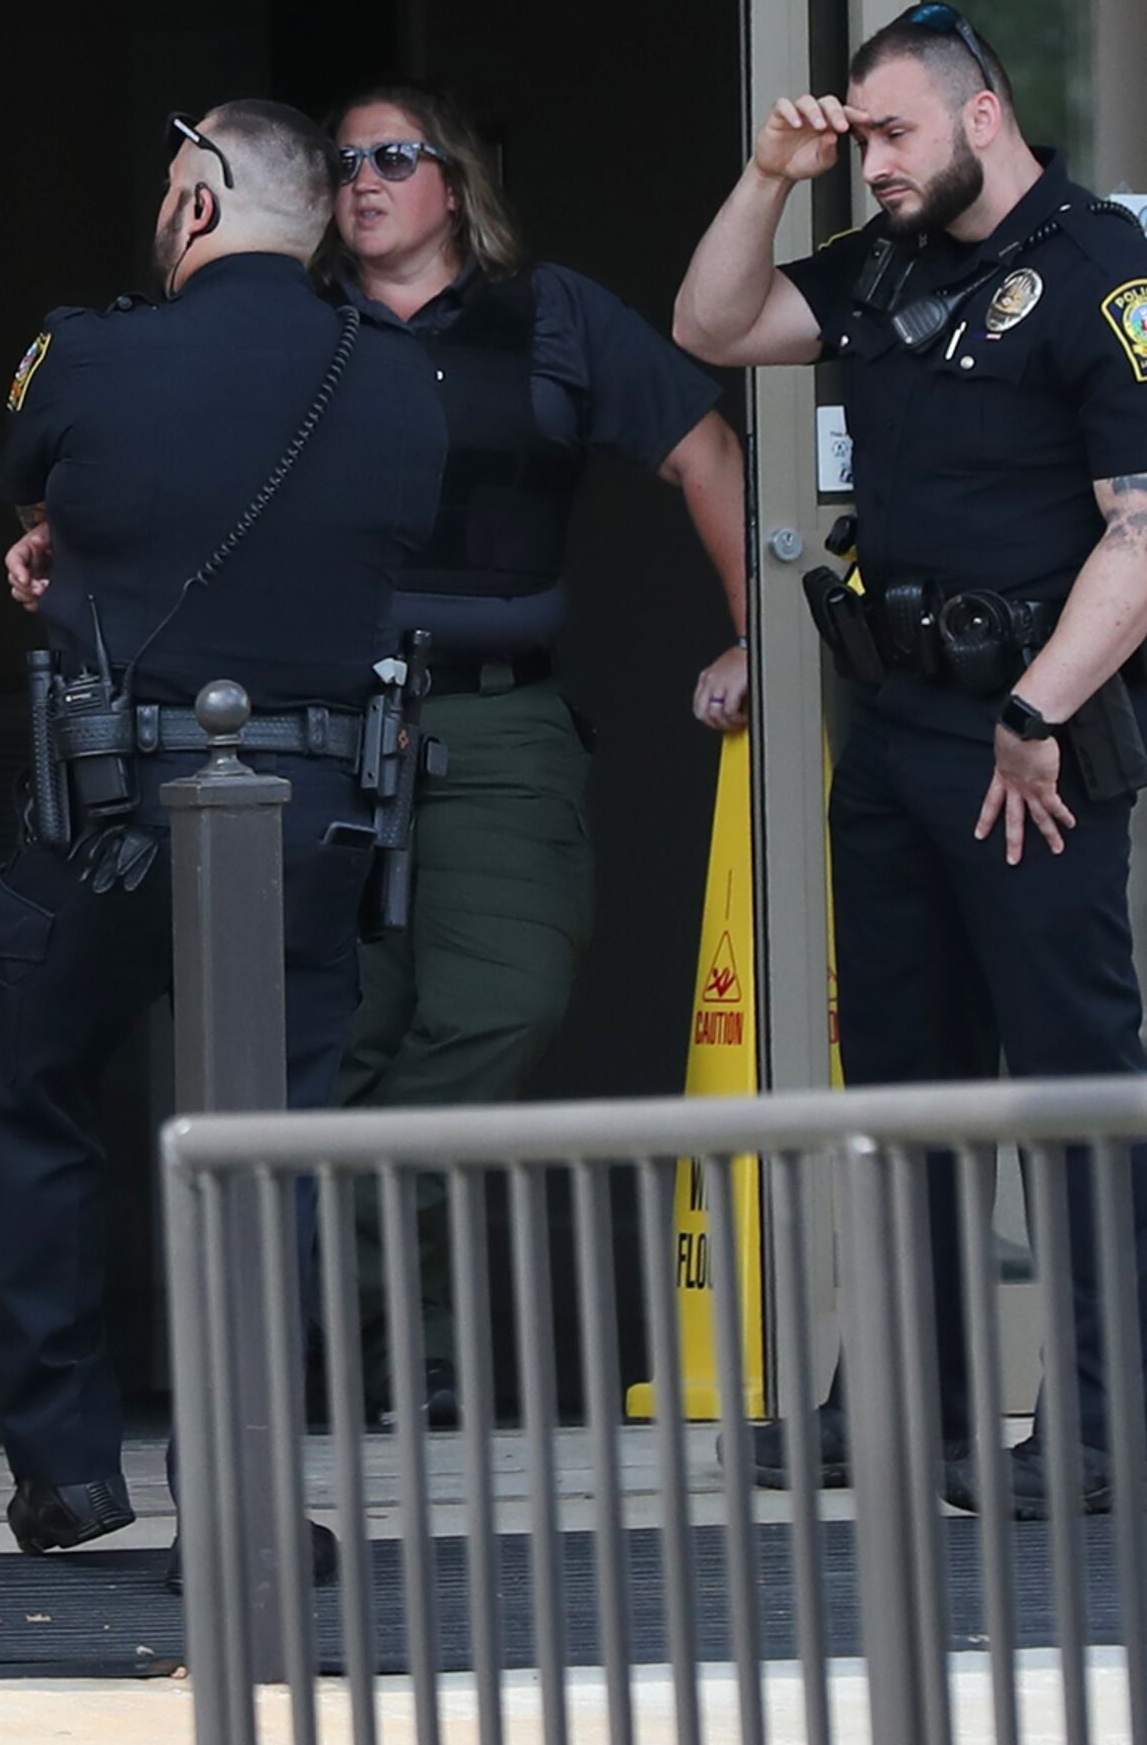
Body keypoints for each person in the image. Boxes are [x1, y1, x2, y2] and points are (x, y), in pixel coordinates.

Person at [673, 1, 1147, 1518]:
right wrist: (773, 174)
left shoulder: (1115, 280)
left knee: (1066, 1081)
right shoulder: (894, 259)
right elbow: (711, 326)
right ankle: (909, 1403)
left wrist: (1036, 713)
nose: (875, 167)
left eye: (891, 135)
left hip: (1027, 736)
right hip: (895, 725)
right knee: (904, 1074)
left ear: (983, 118)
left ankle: (1105, 1437)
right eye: (860, 139)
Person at [0, 101, 449, 1561]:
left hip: (115, 808)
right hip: (313, 813)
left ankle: (65, 1467)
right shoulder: (396, 379)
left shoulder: (95, 351)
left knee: (38, 1093)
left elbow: (37, 474)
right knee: (275, 1138)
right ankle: (240, 1489)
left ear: (195, 206)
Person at [320, 83, 752, 1429]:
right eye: (343, 164)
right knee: (343, 1038)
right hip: (322, 722)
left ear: (456, 183)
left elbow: (708, 452)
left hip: (500, 720)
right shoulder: (291, 321)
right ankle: (412, 1356)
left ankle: (356, 1297)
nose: (364, 181)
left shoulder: (552, 312)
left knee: (500, 1007)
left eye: (394, 157)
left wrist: (760, 643)